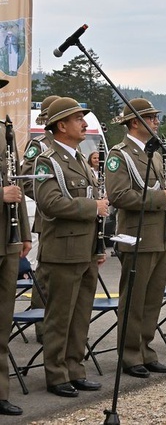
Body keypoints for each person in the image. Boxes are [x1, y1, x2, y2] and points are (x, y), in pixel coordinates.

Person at [34, 97, 109, 397]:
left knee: (80, 315)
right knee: (60, 317)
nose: (84, 123)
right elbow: (49, 203)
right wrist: (93, 207)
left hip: (86, 248)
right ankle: (56, 374)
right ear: (61, 125)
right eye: (78, 118)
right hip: (62, 252)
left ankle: (75, 368)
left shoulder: (79, 158)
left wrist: (98, 245)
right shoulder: (47, 159)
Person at [105, 99, 166, 378]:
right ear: (135, 122)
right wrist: (160, 198)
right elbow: (119, 196)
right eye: (152, 118)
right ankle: (130, 354)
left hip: (158, 235)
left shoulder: (155, 154)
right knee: (134, 299)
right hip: (136, 235)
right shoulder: (119, 155)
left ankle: (147, 350)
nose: (157, 122)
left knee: (152, 298)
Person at [0, 78, 31, 415]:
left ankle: (0, 392)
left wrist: (24, 233)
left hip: (7, 242)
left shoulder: (5, 132)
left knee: (3, 321)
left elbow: (17, 187)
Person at [20, 94, 60, 343]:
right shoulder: (41, 145)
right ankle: (43, 327)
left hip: (72, 222)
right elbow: (26, 179)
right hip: (49, 217)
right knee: (45, 274)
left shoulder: (69, 146)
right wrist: (49, 198)